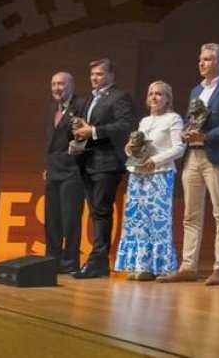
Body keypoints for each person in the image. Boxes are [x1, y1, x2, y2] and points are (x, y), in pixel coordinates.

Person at [157, 43, 219, 285]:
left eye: (207, 59)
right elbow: (191, 117)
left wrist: (207, 136)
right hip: (193, 155)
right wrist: (187, 131)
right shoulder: (196, 90)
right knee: (191, 214)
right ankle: (188, 266)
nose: (201, 63)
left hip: (217, 155)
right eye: (200, 59)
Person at [71, 57, 137, 279]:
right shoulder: (90, 98)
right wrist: (80, 131)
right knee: (95, 212)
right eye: (92, 74)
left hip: (108, 162)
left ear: (111, 75)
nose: (94, 78)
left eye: (99, 74)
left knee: (101, 211)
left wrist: (94, 131)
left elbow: (125, 125)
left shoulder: (120, 96)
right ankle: (97, 261)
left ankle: (98, 262)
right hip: (88, 161)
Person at [115, 81, 186, 280]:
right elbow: (133, 148)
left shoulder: (174, 119)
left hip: (160, 174)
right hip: (138, 174)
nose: (154, 97)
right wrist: (131, 148)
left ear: (167, 98)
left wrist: (155, 160)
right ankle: (140, 265)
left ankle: (160, 267)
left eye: (159, 94)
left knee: (157, 222)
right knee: (137, 221)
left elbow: (179, 148)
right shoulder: (145, 121)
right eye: (151, 94)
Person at [43, 71, 84, 274]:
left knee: (70, 219)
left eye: (61, 84)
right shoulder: (52, 109)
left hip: (72, 170)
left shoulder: (81, 106)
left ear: (71, 86)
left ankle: (70, 262)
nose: (57, 88)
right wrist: (48, 166)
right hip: (53, 170)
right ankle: (51, 259)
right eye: (54, 84)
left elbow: (83, 139)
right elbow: (52, 144)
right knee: (52, 218)